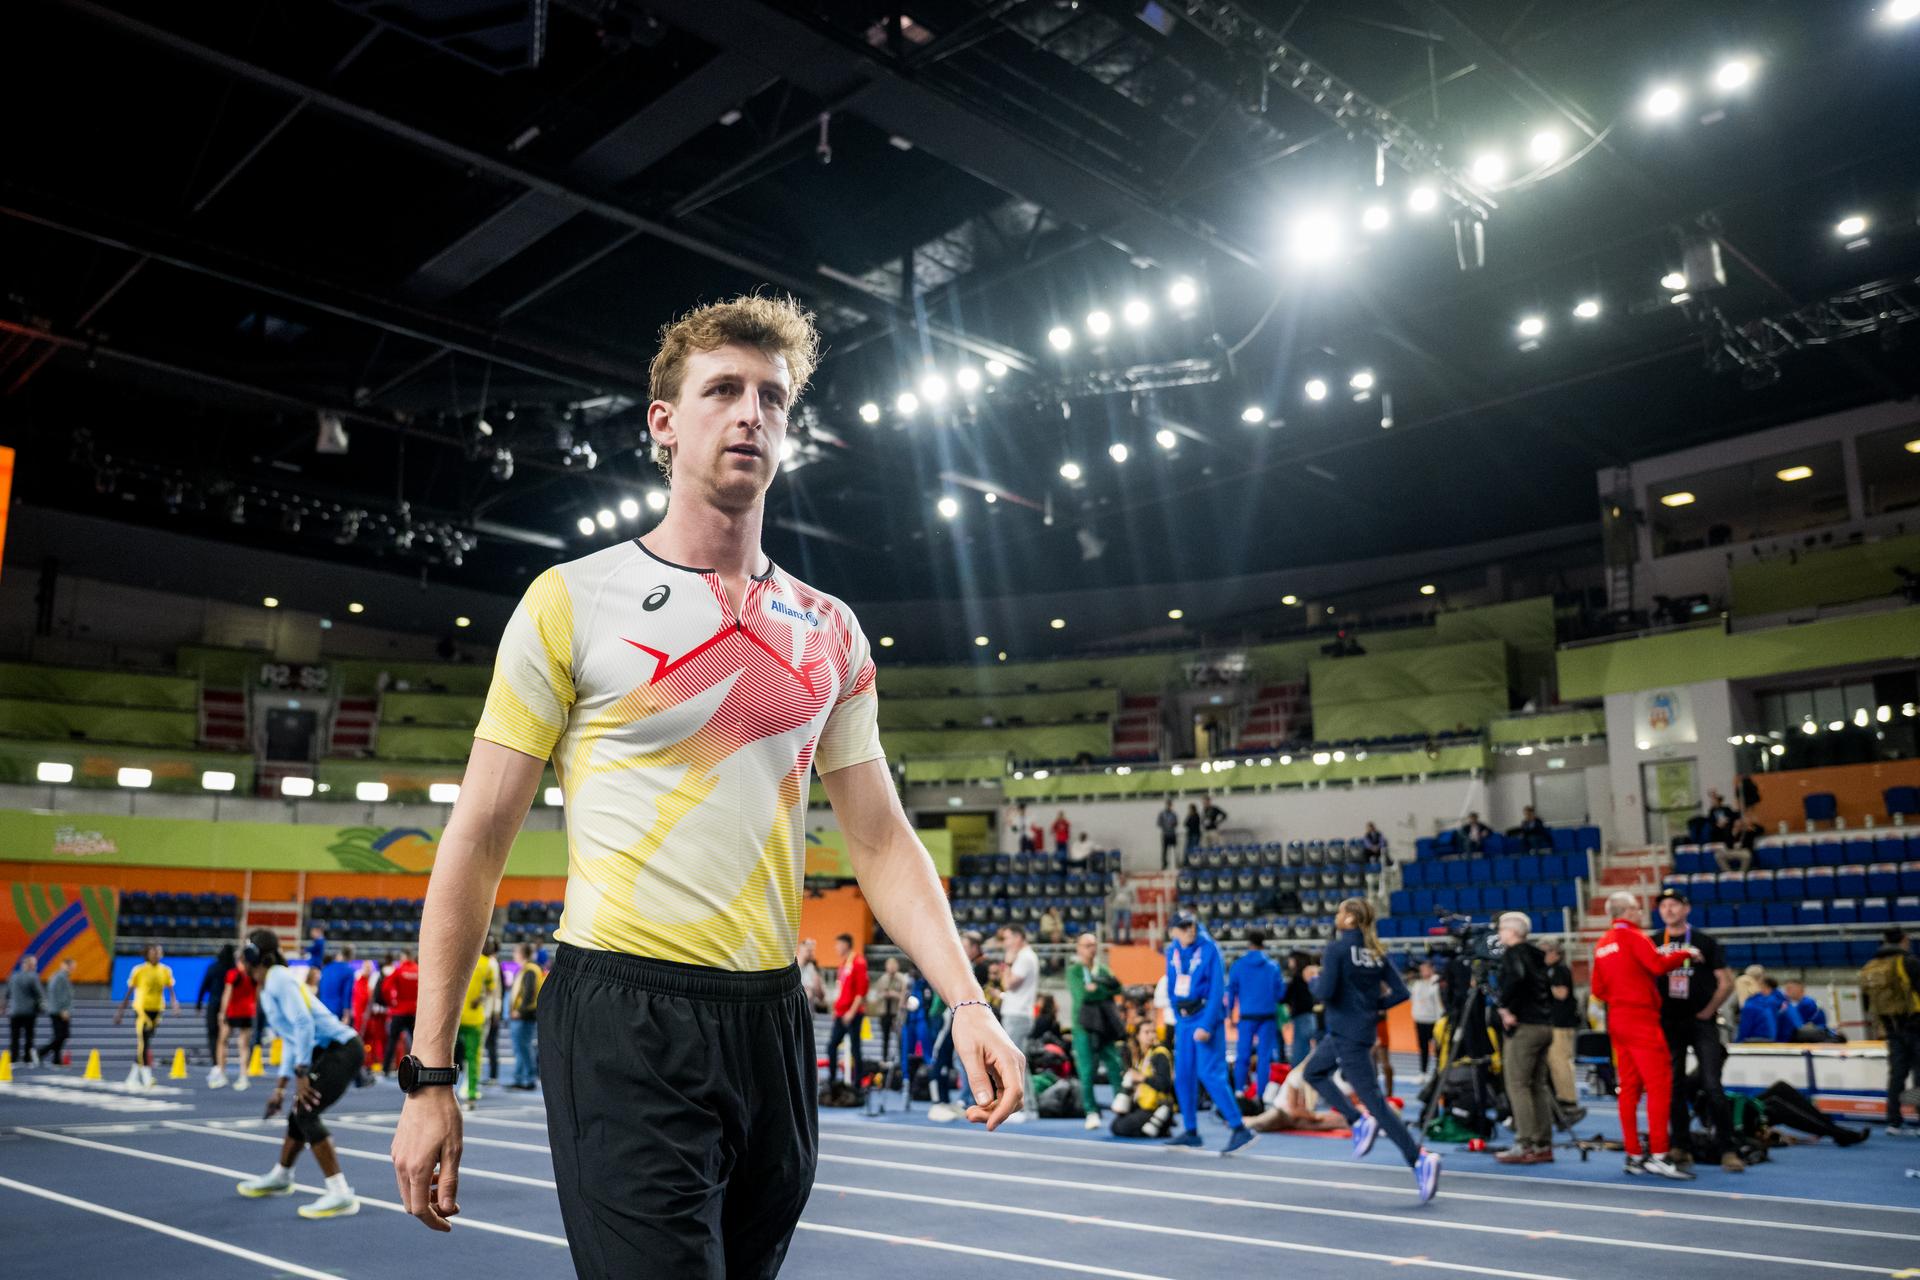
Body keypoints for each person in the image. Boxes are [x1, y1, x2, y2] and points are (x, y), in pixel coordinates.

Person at [390, 297, 1024, 1277]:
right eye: (723, 389)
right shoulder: (572, 601)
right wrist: (430, 1072)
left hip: (773, 1019)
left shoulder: (829, 629)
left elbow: (881, 837)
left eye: (772, 397)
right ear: (664, 421)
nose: (750, 414)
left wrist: (967, 1000)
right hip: (625, 1010)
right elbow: (476, 839)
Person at [1303, 898, 1441, 1202]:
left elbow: (1325, 992)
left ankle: (1418, 1158)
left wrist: (1312, 979)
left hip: (1345, 1032)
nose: (1336, 915)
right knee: (1313, 1072)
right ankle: (1356, 1119)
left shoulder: (1337, 949)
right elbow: (1401, 992)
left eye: (1340, 911)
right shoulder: (1376, 951)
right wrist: (1372, 1008)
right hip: (1355, 1030)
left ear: (1350, 919)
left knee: (1374, 1101)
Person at [232, 929, 365, 1219]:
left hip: (342, 1048)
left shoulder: (278, 978)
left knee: (306, 1112)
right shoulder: (269, 985)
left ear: (254, 956)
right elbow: (292, 1040)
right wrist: (280, 1088)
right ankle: (282, 1176)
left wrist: (302, 1073)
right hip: (327, 1052)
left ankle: (340, 1193)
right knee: (297, 1113)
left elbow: (303, 1023)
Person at [1592, 890, 1699, 1179]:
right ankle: (1660, 1155)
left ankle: (1634, 1154)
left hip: (1618, 1019)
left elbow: (1598, 989)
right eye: (1637, 909)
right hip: (1641, 1019)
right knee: (1659, 1085)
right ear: (1627, 911)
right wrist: (1685, 953)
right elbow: (1657, 965)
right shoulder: (1634, 937)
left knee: (1628, 1088)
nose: (1641, 913)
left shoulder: (1602, 942)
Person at [1651, 888, 1739, 1171]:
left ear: (1686, 909)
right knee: (1673, 1085)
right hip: (1668, 1022)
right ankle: (1680, 1145)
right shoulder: (1652, 942)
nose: (1668, 910)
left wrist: (1709, 1010)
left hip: (1701, 1022)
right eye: (1663, 906)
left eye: (1674, 905)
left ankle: (1727, 1148)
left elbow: (1726, 982)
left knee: (1712, 1084)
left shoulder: (1705, 942)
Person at [1159, 909, 1255, 1154]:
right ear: (1173, 931)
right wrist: (1178, 1016)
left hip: (1205, 1017)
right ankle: (1191, 1132)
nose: (1190, 930)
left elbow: (1217, 990)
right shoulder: (1172, 951)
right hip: (1184, 1021)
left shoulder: (1209, 949)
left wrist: (1207, 1023)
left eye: (1192, 925)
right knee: (1183, 1076)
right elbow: (1171, 985)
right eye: (1184, 926)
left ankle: (1239, 1128)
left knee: (1210, 1073)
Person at [1493, 912, 1557, 1164]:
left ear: (1511, 931)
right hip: (1544, 1024)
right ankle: (1543, 1144)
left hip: (1525, 1027)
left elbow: (1516, 979)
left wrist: (1505, 1007)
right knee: (1538, 1085)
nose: (1499, 934)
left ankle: (1525, 1143)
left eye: (1501, 929)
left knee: (1518, 1085)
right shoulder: (1537, 955)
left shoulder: (1514, 954)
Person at [1861, 927, 1920, 1136]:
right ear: (1904, 940)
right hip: (1915, 1026)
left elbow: (1867, 1003)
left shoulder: (1870, 966)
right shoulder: (1909, 962)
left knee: (1897, 1075)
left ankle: (1894, 1121)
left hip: (1891, 1028)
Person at [1066, 932, 1127, 1130]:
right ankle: (1091, 1111)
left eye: (1093, 945)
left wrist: (1097, 987)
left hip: (1104, 1024)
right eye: (1087, 945)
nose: (1091, 949)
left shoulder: (1103, 969)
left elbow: (1118, 988)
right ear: (1078, 948)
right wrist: (1103, 989)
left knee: (1114, 1063)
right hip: (1083, 1026)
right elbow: (1083, 995)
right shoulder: (1074, 971)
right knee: (1086, 1070)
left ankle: (1120, 1101)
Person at [1226, 928, 1283, 1095]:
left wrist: (1230, 1013)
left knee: (1242, 1055)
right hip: (1267, 1017)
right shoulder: (1273, 966)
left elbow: (1231, 992)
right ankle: (1261, 1095)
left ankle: (1239, 1091)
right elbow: (1280, 994)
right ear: (1263, 945)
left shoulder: (1238, 965)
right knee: (1264, 1058)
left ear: (1249, 944)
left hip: (1247, 1017)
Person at [115, 942, 177, 1087]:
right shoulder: (139, 970)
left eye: (158, 952)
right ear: (147, 954)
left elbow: (170, 989)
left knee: (145, 1042)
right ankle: (147, 1076)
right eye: (153, 952)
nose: (156, 955)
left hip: (157, 1010)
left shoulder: (165, 970)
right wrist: (120, 1012)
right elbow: (129, 991)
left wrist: (175, 1004)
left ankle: (132, 1077)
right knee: (144, 1042)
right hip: (141, 1010)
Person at [997, 924, 1040, 1122]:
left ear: (1018, 937)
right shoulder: (1026, 957)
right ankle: (1029, 1107)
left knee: (1014, 1064)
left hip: (1018, 1015)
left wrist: (1007, 964)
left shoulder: (1024, 958)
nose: (1005, 943)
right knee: (1019, 1064)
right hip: (1018, 1014)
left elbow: (1008, 984)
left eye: (1007, 938)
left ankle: (1021, 1108)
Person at [1541, 941, 1585, 1123]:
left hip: (1562, 1023)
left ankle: (1568, 1101)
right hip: (1555, 1023)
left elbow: (1561, 993)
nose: (1542, 955)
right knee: (1555, 1062)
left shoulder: (1559, 970)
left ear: (1555, 953)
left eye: (1545, 951)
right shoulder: (1550, 970)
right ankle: (1561, 1099)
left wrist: (1542, 987)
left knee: (1560, 1062)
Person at [1109, 1022, 1175, 1139]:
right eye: (1146, 1032)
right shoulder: (1142, 1055)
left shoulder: (1159, 1054)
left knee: (1119, 1127)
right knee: (1117, 1121)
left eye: (1153, 1032)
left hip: (1157, 1107)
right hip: (1143, 1104)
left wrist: (1142, 1078)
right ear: (1137, 1036)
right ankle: (1156, 1127)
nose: (1151, 1035)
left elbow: (1165, 1085)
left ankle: (1159, 1126)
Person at [455, 945, 498, 1111]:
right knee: (473, 1058)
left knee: (444, 1056)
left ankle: (442, 1091)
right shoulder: (487, 964)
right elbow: (491, 989)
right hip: (475, 1017)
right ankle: (471, 1094)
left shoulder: (460, 958)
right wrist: (479, 998)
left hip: (455, 1017)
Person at [211, 945, 259, 1091]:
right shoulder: (254, 975)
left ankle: (221, 1073)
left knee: (222, 1041)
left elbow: (227, 994)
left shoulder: (233, 974)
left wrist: (222, 1012)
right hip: (248, 1012)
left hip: (232, 1012)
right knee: (243, 1045)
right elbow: (257, 995)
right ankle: (243, 1076)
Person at [826, 933, 869, 1087]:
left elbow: (861, 992)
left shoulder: (859, 962)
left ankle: (858, 1084)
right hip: (841, 1013)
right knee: (831, 1046)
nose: (836, 948)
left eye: (838, 944)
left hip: (853, 1014)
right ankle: (832, 1080)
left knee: (855, 1049)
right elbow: (841, 990)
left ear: (845, 945)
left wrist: (851, 1012)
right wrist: (836, 1009)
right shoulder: (844, 964)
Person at [507, 944, 542, 1090]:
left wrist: (520, 1011)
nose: (514, 954)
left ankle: (528, 1079)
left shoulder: (530, 970)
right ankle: (520, 1078)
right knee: (521, 1048)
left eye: (516, 952)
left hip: (524, 1015)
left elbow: (529, 992)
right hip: (524, 1015)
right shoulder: (528, 969)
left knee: (524, 1048)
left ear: (522, 954)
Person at [379, 950, 419, 1073]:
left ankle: (385, 1069)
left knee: (392, 1040)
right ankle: (418, 1069)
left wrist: (391, 1002)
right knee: (416, 1042)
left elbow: (385, 987)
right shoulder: (418, 970)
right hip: (414, 1011)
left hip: (399, 1011)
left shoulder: (399, 970)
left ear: (404, 957)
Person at [197, 944, 235, 1065]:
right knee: (224, 1035)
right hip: (229, 1005)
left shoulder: (213, 967)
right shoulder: (234, 969)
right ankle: (222, 1060)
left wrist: (199, 1003)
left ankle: (216, 1061)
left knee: (213, 1033)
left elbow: (204, 985)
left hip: (214, 1003)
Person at [6, 955, 45, 1066]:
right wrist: (42, 1005)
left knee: (14, 1036)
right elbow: (39, 993)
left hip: (14, 1011)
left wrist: (5, 1006)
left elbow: (7, 993)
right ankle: (27, 1058)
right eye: (34, 964)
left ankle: (13, 1058)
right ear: (29, 965)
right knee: (29, 1036)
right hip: (29, 1012)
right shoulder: (33, 977)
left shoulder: (13, 976)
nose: (35, 967)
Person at [871, 955, 910, 1065]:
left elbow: (905, 996)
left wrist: (894, 994)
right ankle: (884, 1059)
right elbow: (876, 996)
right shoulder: (882, 979)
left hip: (896, 1012)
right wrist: (884, 995)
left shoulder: (902, 979)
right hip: (884, 1012)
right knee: (885, 1037)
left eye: (893, 965)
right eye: (889, 965)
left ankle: (901, 1060)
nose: (892, 967)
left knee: (900, 1037)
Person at [1285, 949, 1321, 1066]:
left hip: (1302, 1016)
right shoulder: (1309, 975)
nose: (1289, 962)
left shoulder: (1299, 977)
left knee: (1300, 1052)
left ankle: (1300, 1074)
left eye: (1291, 960)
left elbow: (1286, 996)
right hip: (1310, 1016)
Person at [1408, 959, 1442, 1076]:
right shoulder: (1417, 984)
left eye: (1426, 968)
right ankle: (1423, 1072)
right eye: (1421, 969)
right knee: (1423, 1048)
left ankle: (1439, 1071)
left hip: (1434, 1020)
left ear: (1432, 969)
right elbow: (1412, 999)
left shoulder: (1437, 983)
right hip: (1420, 1020)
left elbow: (1439, 1002)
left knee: (1438, 1048)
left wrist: (1440, 1019)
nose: (1423, 971)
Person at [39, 957, 75, 1068]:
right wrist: (63, 1009)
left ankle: (56, 1059)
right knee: (61, 1035)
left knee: (60, 1035)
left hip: (59, 1010)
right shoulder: (60, 977)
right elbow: (56, 994)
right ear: (65, 965)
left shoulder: (61, 976)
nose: (73, 969)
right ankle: (40, 1052)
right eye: (72, 966)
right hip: (59, 1011)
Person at [479, 936, 503, 1083]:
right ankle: (490, 1075)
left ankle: (492, 1075)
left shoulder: (492, 964)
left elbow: (496, 992)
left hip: (488, 1011)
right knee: (488, 1044)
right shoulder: (489, 963)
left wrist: (496, 1012)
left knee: (489, 1044)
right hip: (487, 1010)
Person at [318, 944, 358, 1021]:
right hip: (337, 1012)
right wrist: (346, 1015)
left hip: (322, 1008)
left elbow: (321, 989)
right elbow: (347, 994)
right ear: (351, 956)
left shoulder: (326, 968)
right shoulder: (349, 971)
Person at [796, 938, 827, 1013]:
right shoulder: (792, 968)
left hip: (809, 1014)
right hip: (795, 1014)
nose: (812, 954)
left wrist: (818, 986)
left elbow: (821, 997)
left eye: (813, 951)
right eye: (809, 951)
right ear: (801, 950)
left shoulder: (812, 969)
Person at [1157, 800, 1179, 871]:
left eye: (1170, 805)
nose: (1169, 806)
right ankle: (1164, 865)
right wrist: (1165, 825)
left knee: (1174, 850)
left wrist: (1172, 824)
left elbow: (1176, 823)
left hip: (1172, 834)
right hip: (1165, 834)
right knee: (1164, 851)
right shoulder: (1162, 814)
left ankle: (1175, 863)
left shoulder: (1174, 814)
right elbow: (1159, 823)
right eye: (1168, 805)